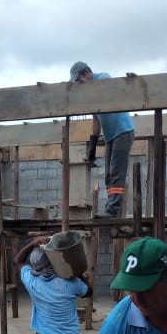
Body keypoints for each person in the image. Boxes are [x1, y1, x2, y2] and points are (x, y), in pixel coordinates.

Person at [69, 61, 135, 218]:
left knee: (116, 172)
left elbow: (115, 89)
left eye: (79, 80)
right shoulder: (90, 96)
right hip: (111, 137)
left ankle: (112, 210)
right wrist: (92, 145)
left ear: (87, 73)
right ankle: (110, 208)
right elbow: (96, 122)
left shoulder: (102, 79)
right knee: (108, 174)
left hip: (123, 130)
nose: (79, 84)